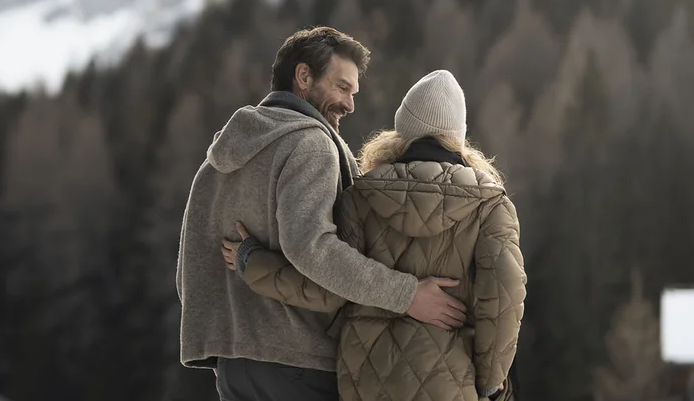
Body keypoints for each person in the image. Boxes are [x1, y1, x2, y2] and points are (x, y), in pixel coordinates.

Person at [177, 26, 468, 401]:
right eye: (342, 87)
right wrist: (407, 295)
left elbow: (189, 265)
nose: (350, 105)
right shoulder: (309, 145)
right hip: (299, 364)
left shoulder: (220, 157)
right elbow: (312, 248)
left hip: (234, 366)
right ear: (303, 77)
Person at [220, 69, 526, 401]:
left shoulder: (360, 197)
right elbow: (504, 301)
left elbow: (327, 284)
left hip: (364, 382)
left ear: (402, 128)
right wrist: (491, 383)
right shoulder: (490, 205)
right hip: (451, 384)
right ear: (458, 135)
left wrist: (253, 262)